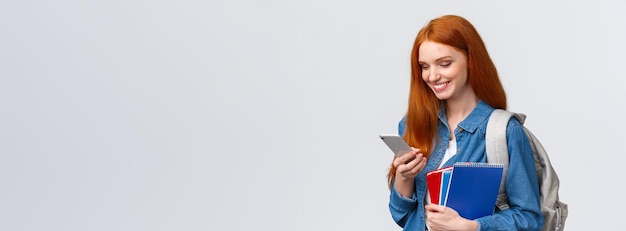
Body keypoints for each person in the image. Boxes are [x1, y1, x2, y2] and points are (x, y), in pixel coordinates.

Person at [387, 15, 543, 231]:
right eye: (424, 66)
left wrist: (471, 227)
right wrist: (404, 178)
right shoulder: (413, 125)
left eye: (444, 64)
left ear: (471, 60)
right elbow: (403, 217)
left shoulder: (504, 132)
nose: (432, 76)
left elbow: (530, 220)